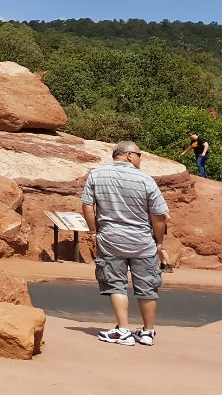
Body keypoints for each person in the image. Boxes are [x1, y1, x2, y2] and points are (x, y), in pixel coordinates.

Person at [81, 141, 170, 347]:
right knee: (147, 286)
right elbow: (159, 215)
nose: (141, 159)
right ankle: (148, 332)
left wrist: (93, 231)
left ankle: (123, 330)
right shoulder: (146, 179)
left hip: (111, 239)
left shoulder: (97, 175)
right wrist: (159, 242)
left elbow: (87, 205)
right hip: (142, 242)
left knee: (116, 284)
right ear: (129, 155)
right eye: (139, 155)